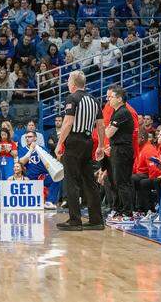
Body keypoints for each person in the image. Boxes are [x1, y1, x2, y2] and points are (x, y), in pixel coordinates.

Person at [55, 70, 106, 231]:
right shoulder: (94, 100)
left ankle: (75, 220)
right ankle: (96, 220)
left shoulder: (72, 97)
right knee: (89, 182)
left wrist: (59, 143)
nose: (67, 84)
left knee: (71, 180)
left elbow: (68, 123)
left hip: (74, 141)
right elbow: (101, 125)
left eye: (68, 81)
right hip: (88, 142)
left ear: (73, 84)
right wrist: (101, 146)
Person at [103, 86, 136, 224]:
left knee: (122, 182)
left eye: (111, 97)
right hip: (117, 148)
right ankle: (122, 210)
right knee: (119, 181)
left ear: (119, 99)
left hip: (122, 150)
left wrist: (107, 128)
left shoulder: (122, 113)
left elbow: (108, 133)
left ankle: (128, 213)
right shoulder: (116, 113)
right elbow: (109, 132)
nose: (108, 99)